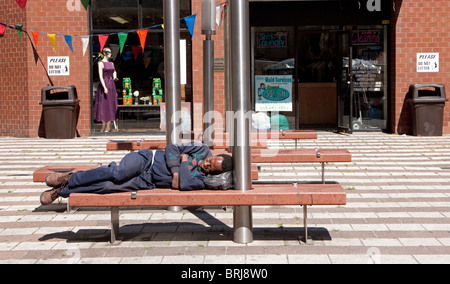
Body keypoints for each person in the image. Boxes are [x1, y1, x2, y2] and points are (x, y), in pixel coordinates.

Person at [40, 142, 233, 205]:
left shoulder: (204, 180)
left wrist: (181, 162)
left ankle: (63, 191)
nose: (206, 164)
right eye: (210, 161)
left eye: (210, 167)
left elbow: (183, 184)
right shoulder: (201, 150)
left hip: (146, 182)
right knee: (117, 173)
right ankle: (71, 177)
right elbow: (172, 147)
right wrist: (176, 170)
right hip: (146, 160)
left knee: (108, 187)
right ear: (214, 155)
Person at [93, 47, 119, 133]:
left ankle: (109, 125)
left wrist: (115, 77)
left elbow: (114, 71)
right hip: (105, 83)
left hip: (111, 84)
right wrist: (104, 87)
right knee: (104, 104)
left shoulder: (111, 63)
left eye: (111, 52)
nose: (110, 54)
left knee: (110, 104)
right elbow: (100, 76)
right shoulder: (101, 63)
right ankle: (104, 125)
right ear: (104, 53)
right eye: (109, 52)